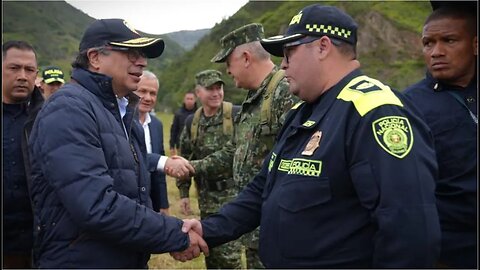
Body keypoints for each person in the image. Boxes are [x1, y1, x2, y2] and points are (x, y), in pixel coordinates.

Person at [174, 4, 441, 268]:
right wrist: (209, 229)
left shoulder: (374, 111)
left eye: (289, 53)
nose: (283, 65)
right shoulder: (301, 111)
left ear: (323, 47)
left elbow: (409, 229)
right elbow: (262, 189)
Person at [27, 18, 206, 268]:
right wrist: (174, 233)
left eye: (143, 54)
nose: (141, 61)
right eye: (130, 53)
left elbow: (125, 169)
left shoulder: (120, 111)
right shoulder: (69, 109)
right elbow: (96, 204)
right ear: (95, 57)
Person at [171, 23, 298, 269]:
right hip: (254, 225)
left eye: (228, 63)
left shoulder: (285, 92)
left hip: (278, 229)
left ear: (246, 57)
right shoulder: (254, 100)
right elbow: (236, 152)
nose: (227, 71)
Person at [403, 3, 477, 268]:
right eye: (428, 43)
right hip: (447, 254)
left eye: (449, 40)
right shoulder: (408, 105)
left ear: (475, 44)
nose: (436, 52)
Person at [177, 69, 243, 269]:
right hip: (206, 199)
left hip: (234, 198)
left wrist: (193, 167)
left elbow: (232, 154)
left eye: (219, 87)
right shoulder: (192, 123)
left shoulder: (236, 115)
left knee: (230, 258)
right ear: (198, 93)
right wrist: (184, 193)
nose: (216, 93)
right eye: (210, 89)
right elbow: (185, 157)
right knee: (211, 253)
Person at [2, 40, 44, 269]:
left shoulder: (48, 119)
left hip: (36, 241)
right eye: (14, 68)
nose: (22, 76)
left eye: (29, 70)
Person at [135, 70, 170, 215]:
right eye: (142, 91)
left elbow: (159, 171)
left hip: (151, 203)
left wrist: (163, 203)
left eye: (153, 93)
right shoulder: (119, 121)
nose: (148, 98)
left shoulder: (156, 125)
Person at [170, 91, 196, 155]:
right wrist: (172, 146)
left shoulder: (199, 113)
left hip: (196, 147)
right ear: (184, 100)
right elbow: (174, 131)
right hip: (181, 146)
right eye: (187, 99)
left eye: (191, 99)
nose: (189, 101)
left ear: (195, 100)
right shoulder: (178, 114)